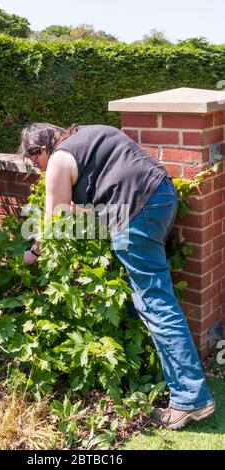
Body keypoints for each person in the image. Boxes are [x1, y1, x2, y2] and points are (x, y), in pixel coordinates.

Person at [20, 122, 215, 430]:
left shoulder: (58, 158)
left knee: (155, 304)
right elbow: (105, 192)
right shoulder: (92, 133)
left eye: (35, 162)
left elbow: (54, 219)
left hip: (135, 215)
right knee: (152, 298)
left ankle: (191, 398)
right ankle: (185, 388)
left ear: (42, 149)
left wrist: (34, 252)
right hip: (162, 195)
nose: (39, 170)